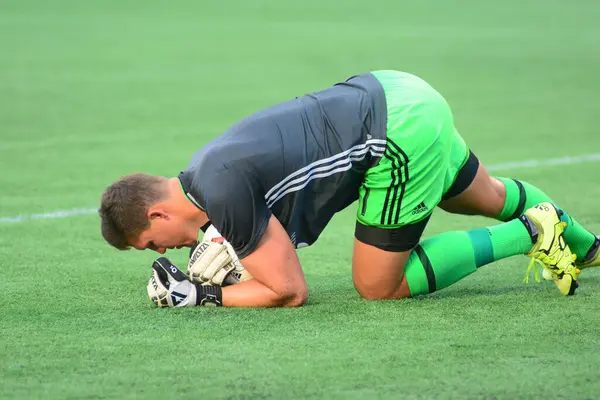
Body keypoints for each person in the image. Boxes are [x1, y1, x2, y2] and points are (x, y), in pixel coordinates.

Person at [99, 70, 599, 308]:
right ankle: (588, 247)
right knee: (484, 194)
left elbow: (289, 291)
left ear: (158, 216)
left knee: (379, 285)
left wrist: (200, 295)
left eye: (152, 242)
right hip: (399, 92)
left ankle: (531, 231)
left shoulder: (221, 194)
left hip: (395, 136)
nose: (166, 250)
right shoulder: (206, 170)